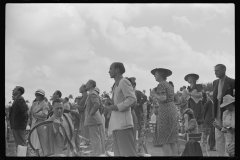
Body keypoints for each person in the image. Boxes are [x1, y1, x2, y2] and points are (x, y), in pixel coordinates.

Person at [106, 62, 137, 156]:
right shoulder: (116, 85)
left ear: (117, 70)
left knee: (128, 153)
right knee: (119, 153)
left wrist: (117, 106)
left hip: (124, 124)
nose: (109, 71)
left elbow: (132, 99)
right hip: (117, 124)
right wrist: (111, 104)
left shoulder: (124, 81)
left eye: (111, 69)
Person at [150, 68, 178, 156]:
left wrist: (154, 93)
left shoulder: (161, 84)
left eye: (156, 74)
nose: (154, 76)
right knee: (172, 139)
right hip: (172, 109)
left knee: (164, 137)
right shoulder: (169, 85)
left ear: (161, 75)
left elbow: (163, 98)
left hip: (165, 111)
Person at [212, 64, 235, 156]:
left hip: (229, 115)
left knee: (230, 138)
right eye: (214, 70)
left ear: (224, 70)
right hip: (217, 114)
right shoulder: (215, 82)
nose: (215, 72)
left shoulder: (232, 82)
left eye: (217, 70)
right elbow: (215, 100)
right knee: (219, 138)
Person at [84, 80, 105, 156]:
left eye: (87, 83)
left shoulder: (92, 93)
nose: (85, 85)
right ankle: (99, 153)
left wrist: (90, 114)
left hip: (93, 119)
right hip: (94, 119)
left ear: (91, 85)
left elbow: (97, 104)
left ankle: (97, 154)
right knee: (96, 137)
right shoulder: (92, 93)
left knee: (95, 138)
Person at [29, 89, 49, 155]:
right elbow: (30, 112)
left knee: (40, 140)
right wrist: (36, 114)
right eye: (36, 94)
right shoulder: (34, 103)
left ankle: (43, 154)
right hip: (34, 124)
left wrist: (35, 114)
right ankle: (36, 153)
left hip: (40, 124)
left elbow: (44, 115)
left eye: (38, 95)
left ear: (42, 96)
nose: (36, 96)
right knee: (34, 139)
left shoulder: (45, 104)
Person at [9, 86, 29, 153]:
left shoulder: (20, 99)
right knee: (19, 143)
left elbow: (25, 110)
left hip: (19, 126)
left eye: (15, 89)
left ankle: (23, 155)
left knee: (20, 144)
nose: (13, 90)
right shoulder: (17, 99)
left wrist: (22, 123)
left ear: (19, 91)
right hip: (17, 125)